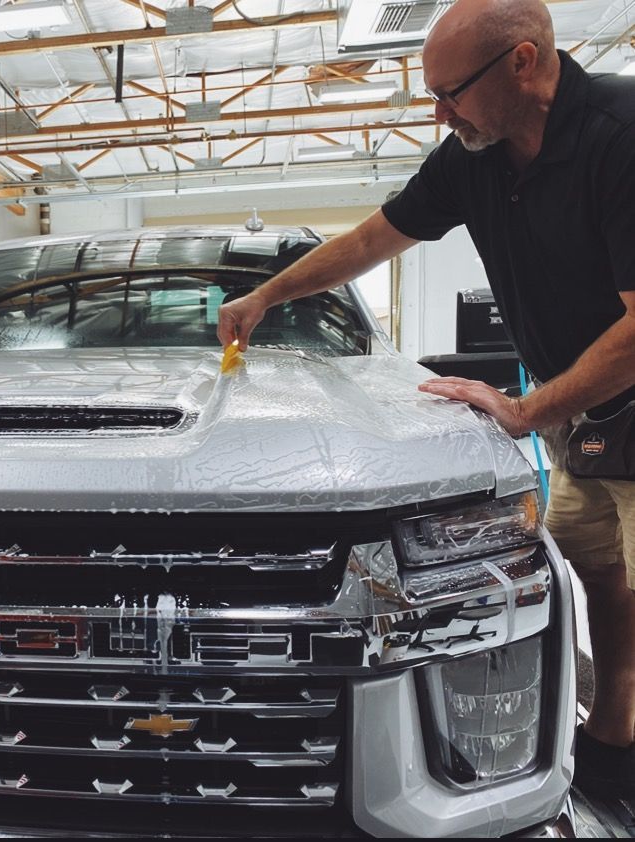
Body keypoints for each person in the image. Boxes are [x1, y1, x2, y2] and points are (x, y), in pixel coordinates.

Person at [218, 0, 635, 798]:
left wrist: (524, 411)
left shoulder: (621, 136)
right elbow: (373, 239)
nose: (438, 111)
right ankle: (615, 739)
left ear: (523, 61)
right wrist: (268, 296)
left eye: (451, 92)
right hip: (584, 429)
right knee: (601, 586)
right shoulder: (473, 156)